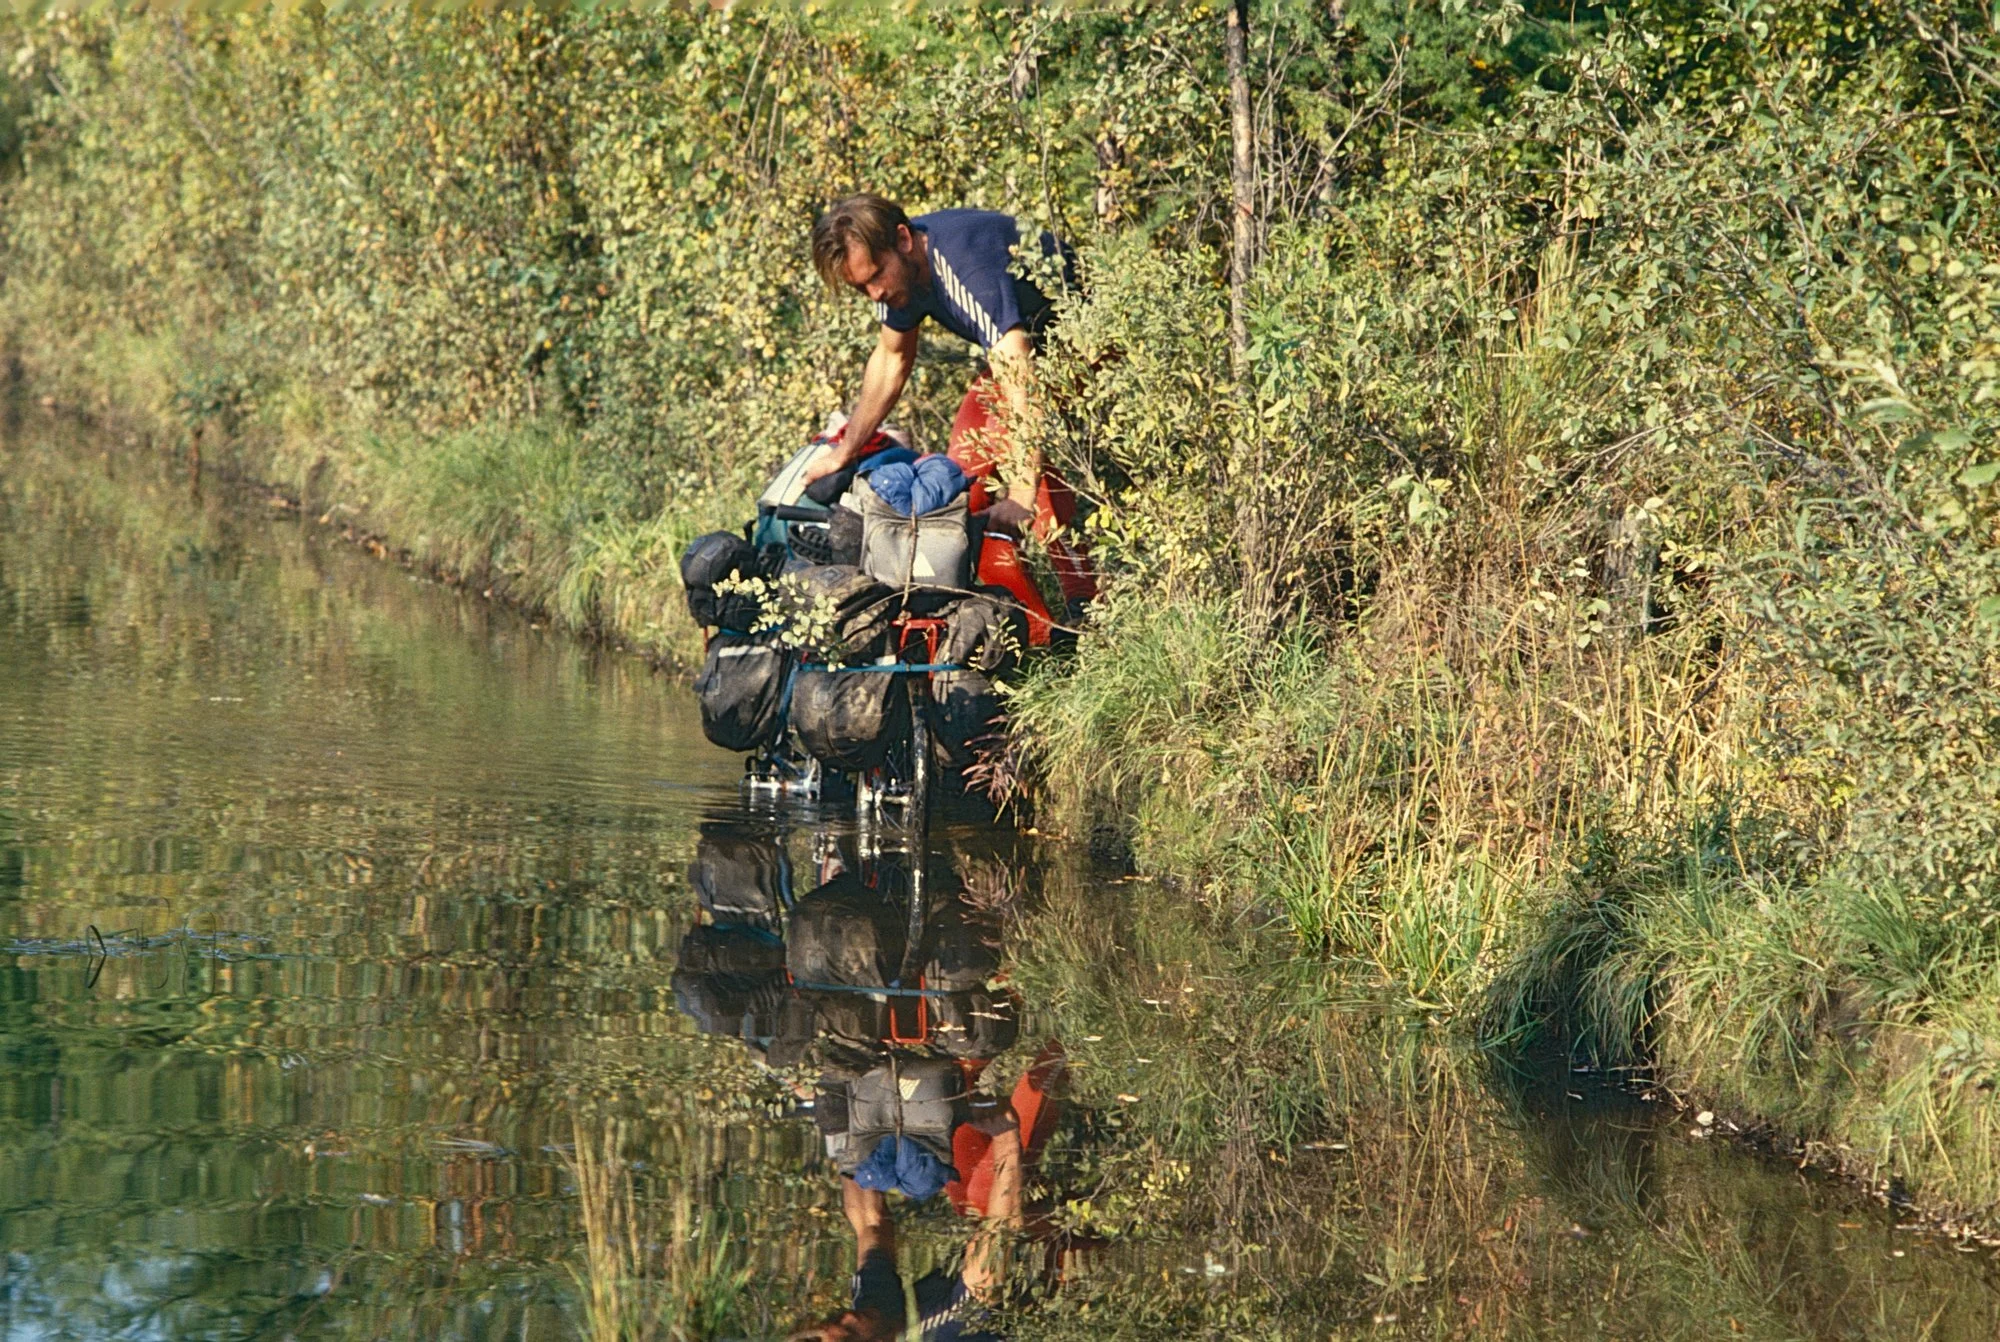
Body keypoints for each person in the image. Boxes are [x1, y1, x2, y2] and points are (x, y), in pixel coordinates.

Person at [805, 194, 1097, 613]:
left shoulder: (961, 265)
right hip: (1037, 352)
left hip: (1088, 341)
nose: (874, 294)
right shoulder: (904, 276)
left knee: (1004, 472)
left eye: (875, 277)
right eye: (861, 288)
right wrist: (845, 450)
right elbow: (891, 359)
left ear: (903, 239)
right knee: (963, 478)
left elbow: (1018, 372)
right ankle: (1027, 618)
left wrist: (1020, 490)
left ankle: (1079, 610)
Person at [790, 1103, 1023, 1342]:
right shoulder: (940, 1329)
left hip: (1010, 1246)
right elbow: (998, 1239)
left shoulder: (873, 1316)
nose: (849, 1316)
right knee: (980, 1194)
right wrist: (1006, 1138)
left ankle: (969, 1085)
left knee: (958, 1145)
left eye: (835, 1317)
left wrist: (845, 1129)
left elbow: (872, 1226)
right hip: (1045, 1265)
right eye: (849, 1332)